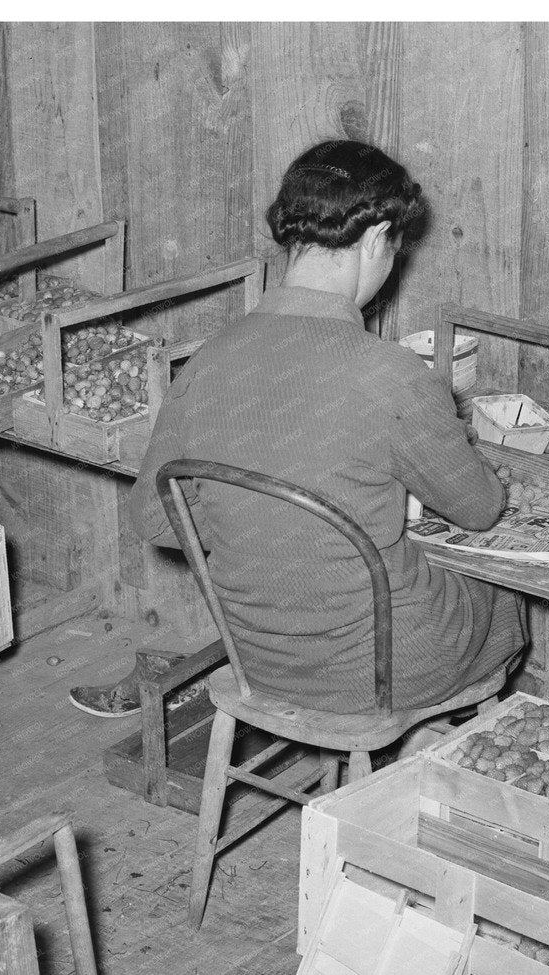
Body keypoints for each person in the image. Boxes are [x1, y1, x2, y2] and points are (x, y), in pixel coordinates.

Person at [121, 139, 527, 716]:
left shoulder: (206, 362)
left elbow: (156, 520)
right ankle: (437, 752)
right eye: (394, 251)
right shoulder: (392, 375)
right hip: (387, 668)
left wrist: (266, 521)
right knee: (503, 595)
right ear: (374, 238)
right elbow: (480, 509)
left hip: (255, 661)